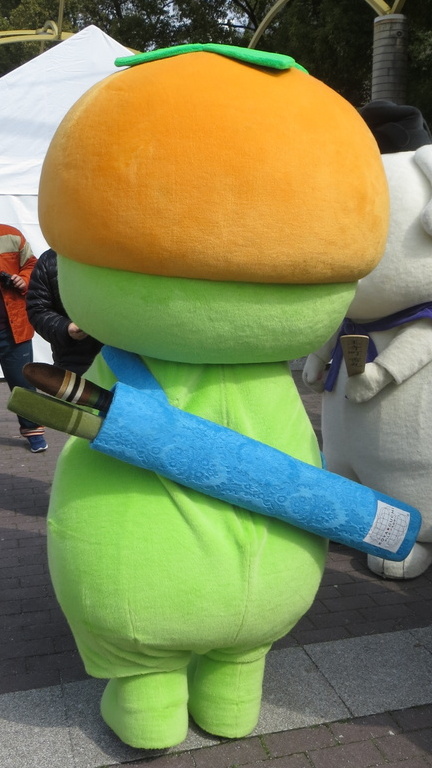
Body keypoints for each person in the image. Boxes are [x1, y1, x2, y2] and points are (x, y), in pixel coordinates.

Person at [0, 224, 48, 452]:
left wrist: (23, 279)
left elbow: (31, 264)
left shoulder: (10, 235)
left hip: (13, 329)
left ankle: (34, 432)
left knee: (23, 384)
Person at [26, 248, 102, 375]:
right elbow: (37, 309)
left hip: (125, 359)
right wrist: (65, 328)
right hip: (74, 362)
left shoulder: (118, 254)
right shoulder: (49, 260)